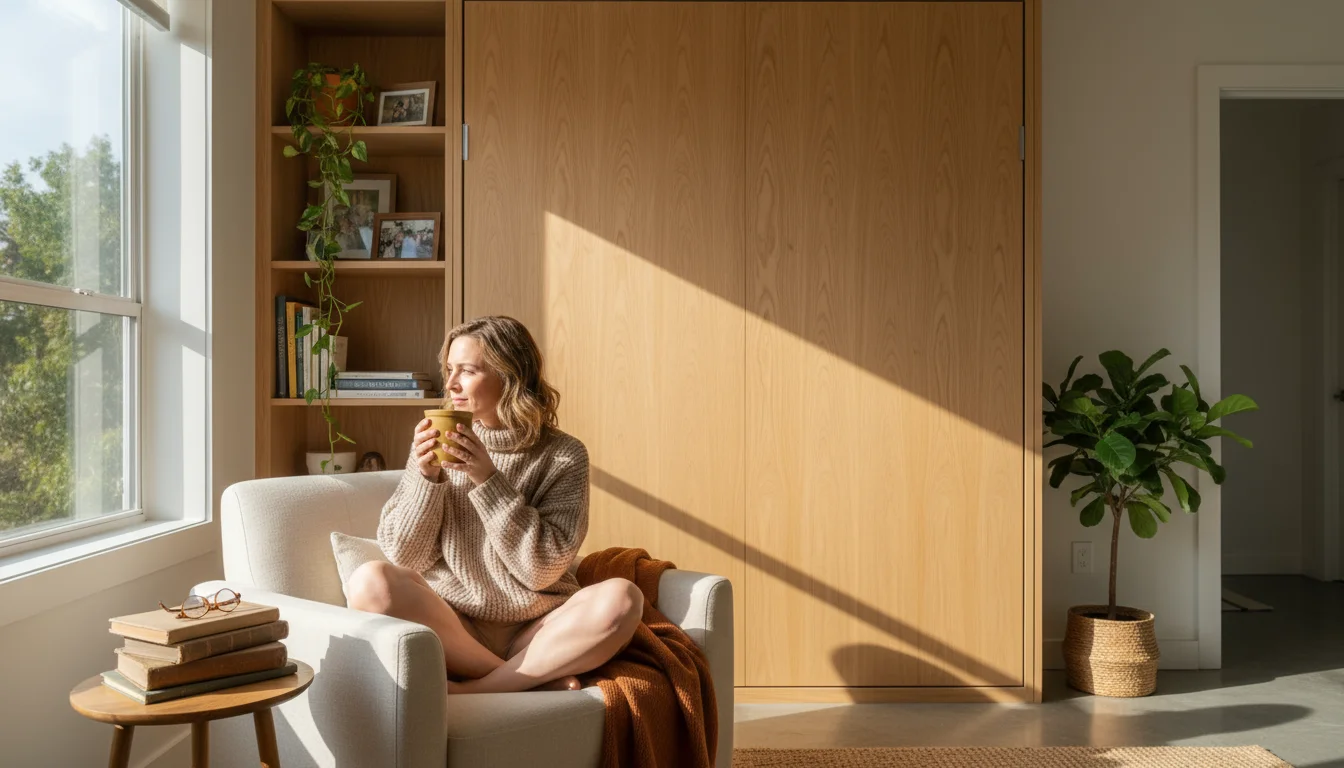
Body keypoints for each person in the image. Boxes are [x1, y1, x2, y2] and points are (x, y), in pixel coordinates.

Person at [346, 316, 642, 694]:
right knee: (368, 581)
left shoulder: (564, 455)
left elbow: (540, 571)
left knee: (623, 598)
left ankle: (475, 689)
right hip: (454, 624)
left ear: (510, 376)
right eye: (450, 369)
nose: (451, 384)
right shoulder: (438, 441)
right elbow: (406, 557)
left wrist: (487, 479)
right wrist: (426, 477)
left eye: (467, 371)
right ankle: (521, 679)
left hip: (538, 628)